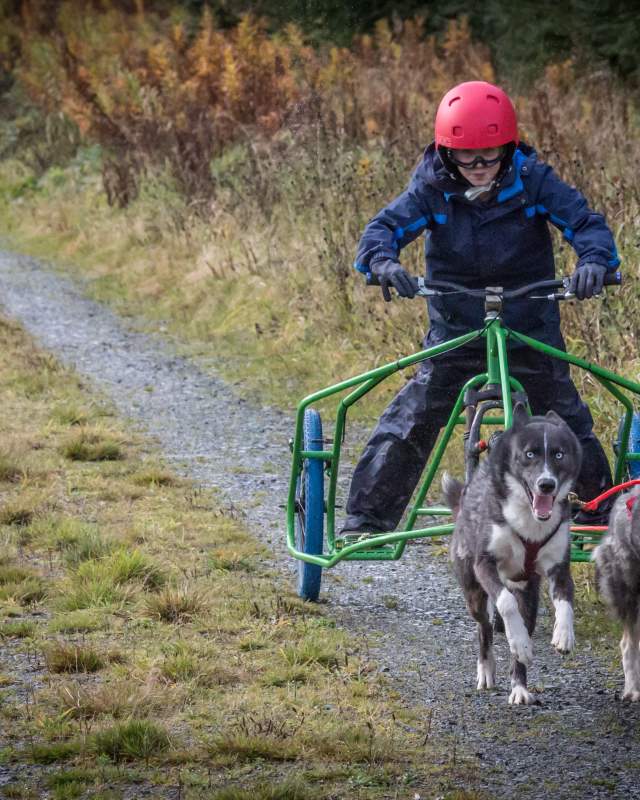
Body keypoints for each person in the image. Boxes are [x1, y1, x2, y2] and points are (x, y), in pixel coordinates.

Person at [343, 80, 620, 535]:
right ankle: (368, 517)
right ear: (445, 151)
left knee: (564, 415)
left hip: (529, 325)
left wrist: (594, 262)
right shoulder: (431, 189)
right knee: (415, 413)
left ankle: (597, 508)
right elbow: (383, 229)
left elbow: (584, 222)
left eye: (489, 156)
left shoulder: (533, 182)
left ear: (508, 149)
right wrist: (382, 262)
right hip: (457, 329)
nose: (477, 166)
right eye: (465, 156)